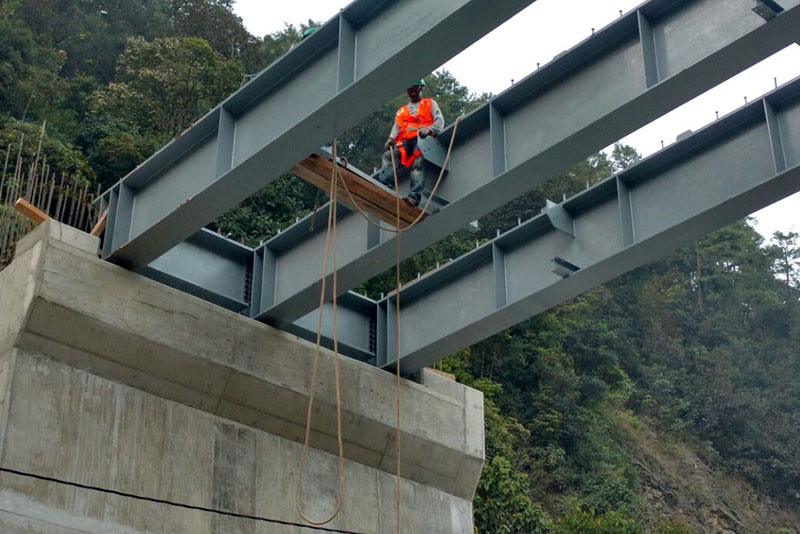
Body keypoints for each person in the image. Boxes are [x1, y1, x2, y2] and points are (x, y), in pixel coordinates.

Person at [377, 79, 445, 206]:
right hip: (405, 143)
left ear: (421, 89)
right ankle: (384, 185)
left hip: (423, 140)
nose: (413, 92)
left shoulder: (430, 104)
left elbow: (440, 122)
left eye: (415, 89)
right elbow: (397, 127)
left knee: (418, 163)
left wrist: (429, 129)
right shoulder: (402, 111)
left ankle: (414, 197)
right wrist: (391, 139)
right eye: (410, 90)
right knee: (389, 156)